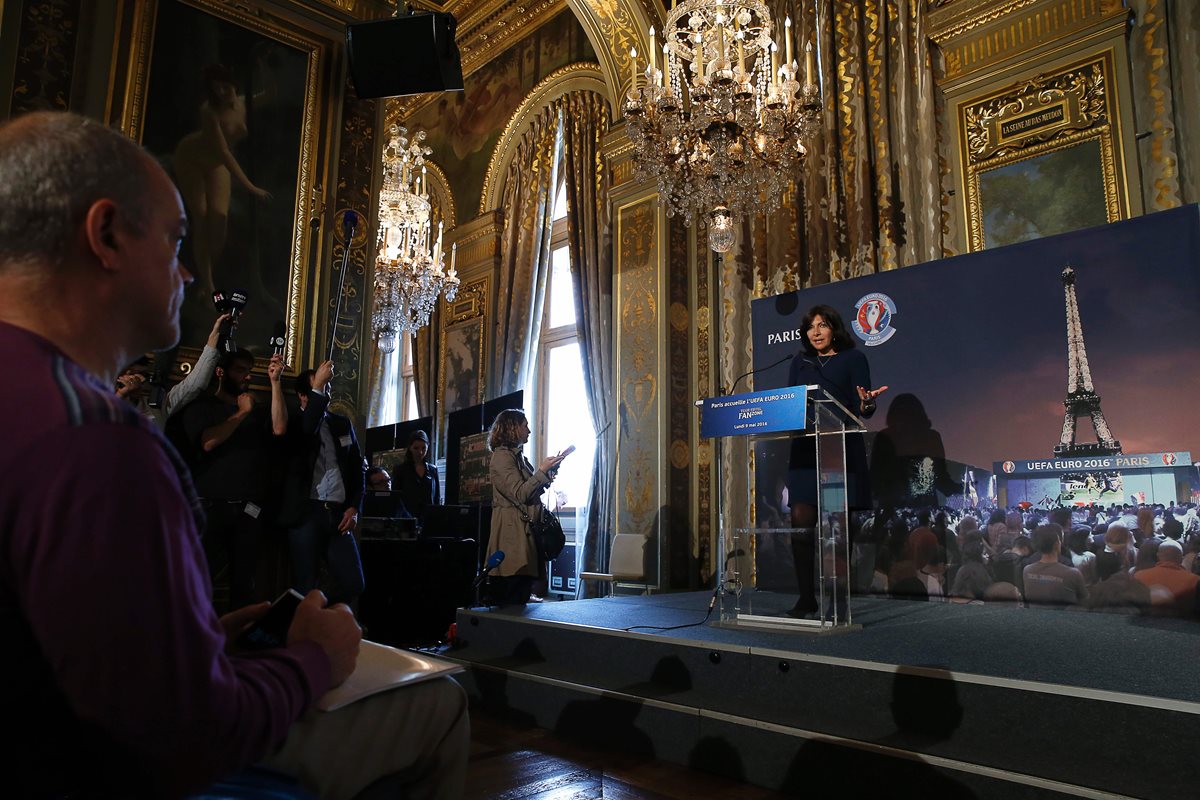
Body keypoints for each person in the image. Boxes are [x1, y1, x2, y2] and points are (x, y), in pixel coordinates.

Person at [0, 111, 467, 797]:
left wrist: (203, 635)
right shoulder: (97, 441)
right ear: (104, 234)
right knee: (438, 701)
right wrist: (314, 656)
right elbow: (191, 734)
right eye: (174, 240)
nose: (187, 271)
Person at [785, 304, 887, 616]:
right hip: (805, 449)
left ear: (834, 329)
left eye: (822, 325)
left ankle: (838, 599)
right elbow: (791, 402)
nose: (815, 332)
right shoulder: (799, 362)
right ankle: (806, 598)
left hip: (837, 447)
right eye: (810, 327)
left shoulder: (853, 358)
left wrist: (868, 404)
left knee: (836, 527)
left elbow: (862, 406)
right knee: (801, 520)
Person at [180, 346, 288, 610]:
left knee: (245, 583)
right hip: (209, 508)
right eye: (240, 370)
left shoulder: (255, 409)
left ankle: (238, 646)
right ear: (221, 372)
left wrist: (275, 383)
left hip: (248, 511)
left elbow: (279, 427)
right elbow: (208, 442)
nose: (247, 377)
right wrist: (240, 414)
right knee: (198, 580)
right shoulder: (202, 407)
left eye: (249, 372)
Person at [173, 63, 272, 298]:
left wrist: (264, 63)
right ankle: (208, 286)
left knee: (220, 220)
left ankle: (204, 275)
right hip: (192, 159)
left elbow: (270, 93)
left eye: (225, 87)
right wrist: (251, 187)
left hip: (216, 165)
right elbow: (225, 153)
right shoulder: (209, 112)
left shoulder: (242, 102)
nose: (222, 93)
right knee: (202, 215)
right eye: (216, 89)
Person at [278, 363, 366, 603]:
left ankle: (328, 623)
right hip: (306, 513)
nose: (326, 391)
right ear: (303, 395)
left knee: (353, 581)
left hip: (338, 515)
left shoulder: (341, 424)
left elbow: (358, 469)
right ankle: (304, 635)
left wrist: (354, 507)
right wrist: (317, 386)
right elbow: (309, 428)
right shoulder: (293, 422)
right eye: (319, 387)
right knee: (304, 585)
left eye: (326, 386)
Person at [486, 409, 565, 606]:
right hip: (512, 534)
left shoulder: (517, 456)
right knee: (512, 596)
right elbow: (520, 494)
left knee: (520, 596)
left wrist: (547, 474)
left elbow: (529, 491)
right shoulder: (503, 457)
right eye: (525, 426)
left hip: (522, 532)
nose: (529, 431)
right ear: (513, 428)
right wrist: (542, 471)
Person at [116, 309, 233, 427]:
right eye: (134, 374)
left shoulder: (155, 406)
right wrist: (121, 395)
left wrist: (216, 335)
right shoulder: (102, 404)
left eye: (143, 375)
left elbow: (194, 384)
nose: (140, 380)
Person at [397, 429, 441, 522]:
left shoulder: (433, 470)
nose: (420, 452)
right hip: (407, 520)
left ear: (428, 447)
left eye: (423, 448)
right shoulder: (400, 470)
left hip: (428, 520)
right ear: (410, 447)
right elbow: (397, 498)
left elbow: (436, 498)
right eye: (416, 448)